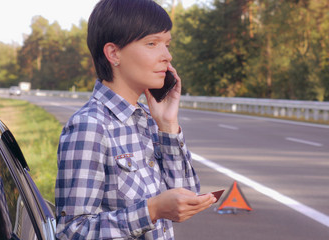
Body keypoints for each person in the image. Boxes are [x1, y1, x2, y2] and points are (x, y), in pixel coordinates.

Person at [54, 0, 216, 239]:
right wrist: (151, 211)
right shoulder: (90, 127)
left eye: (167, 44)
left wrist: (168, 124)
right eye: (152, 43)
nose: (167, 56)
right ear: (113, 53)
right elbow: (72, 231)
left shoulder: (149, 121)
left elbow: (186, 196)